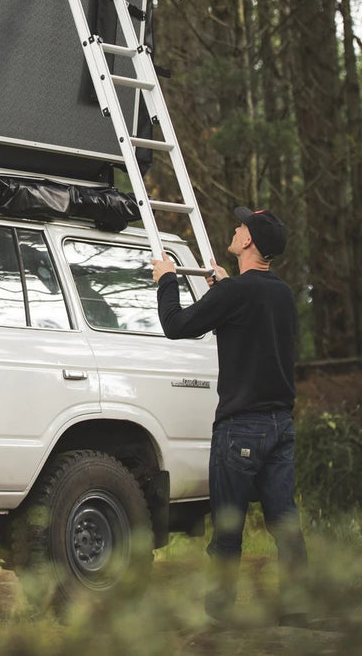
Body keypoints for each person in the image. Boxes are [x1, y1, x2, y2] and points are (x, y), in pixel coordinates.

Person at [152, 207, 308, 627]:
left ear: (248, 242)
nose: (235, 229)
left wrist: (166, 280)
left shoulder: (234, 294)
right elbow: (248, 322)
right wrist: (223, 286)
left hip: (240, 428)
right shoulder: (282, 294)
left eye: (241, 227)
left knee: (227, 527)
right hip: (280, 426)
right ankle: (297, 605)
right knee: (284, 520)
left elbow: (176, 325)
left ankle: (219, 613)